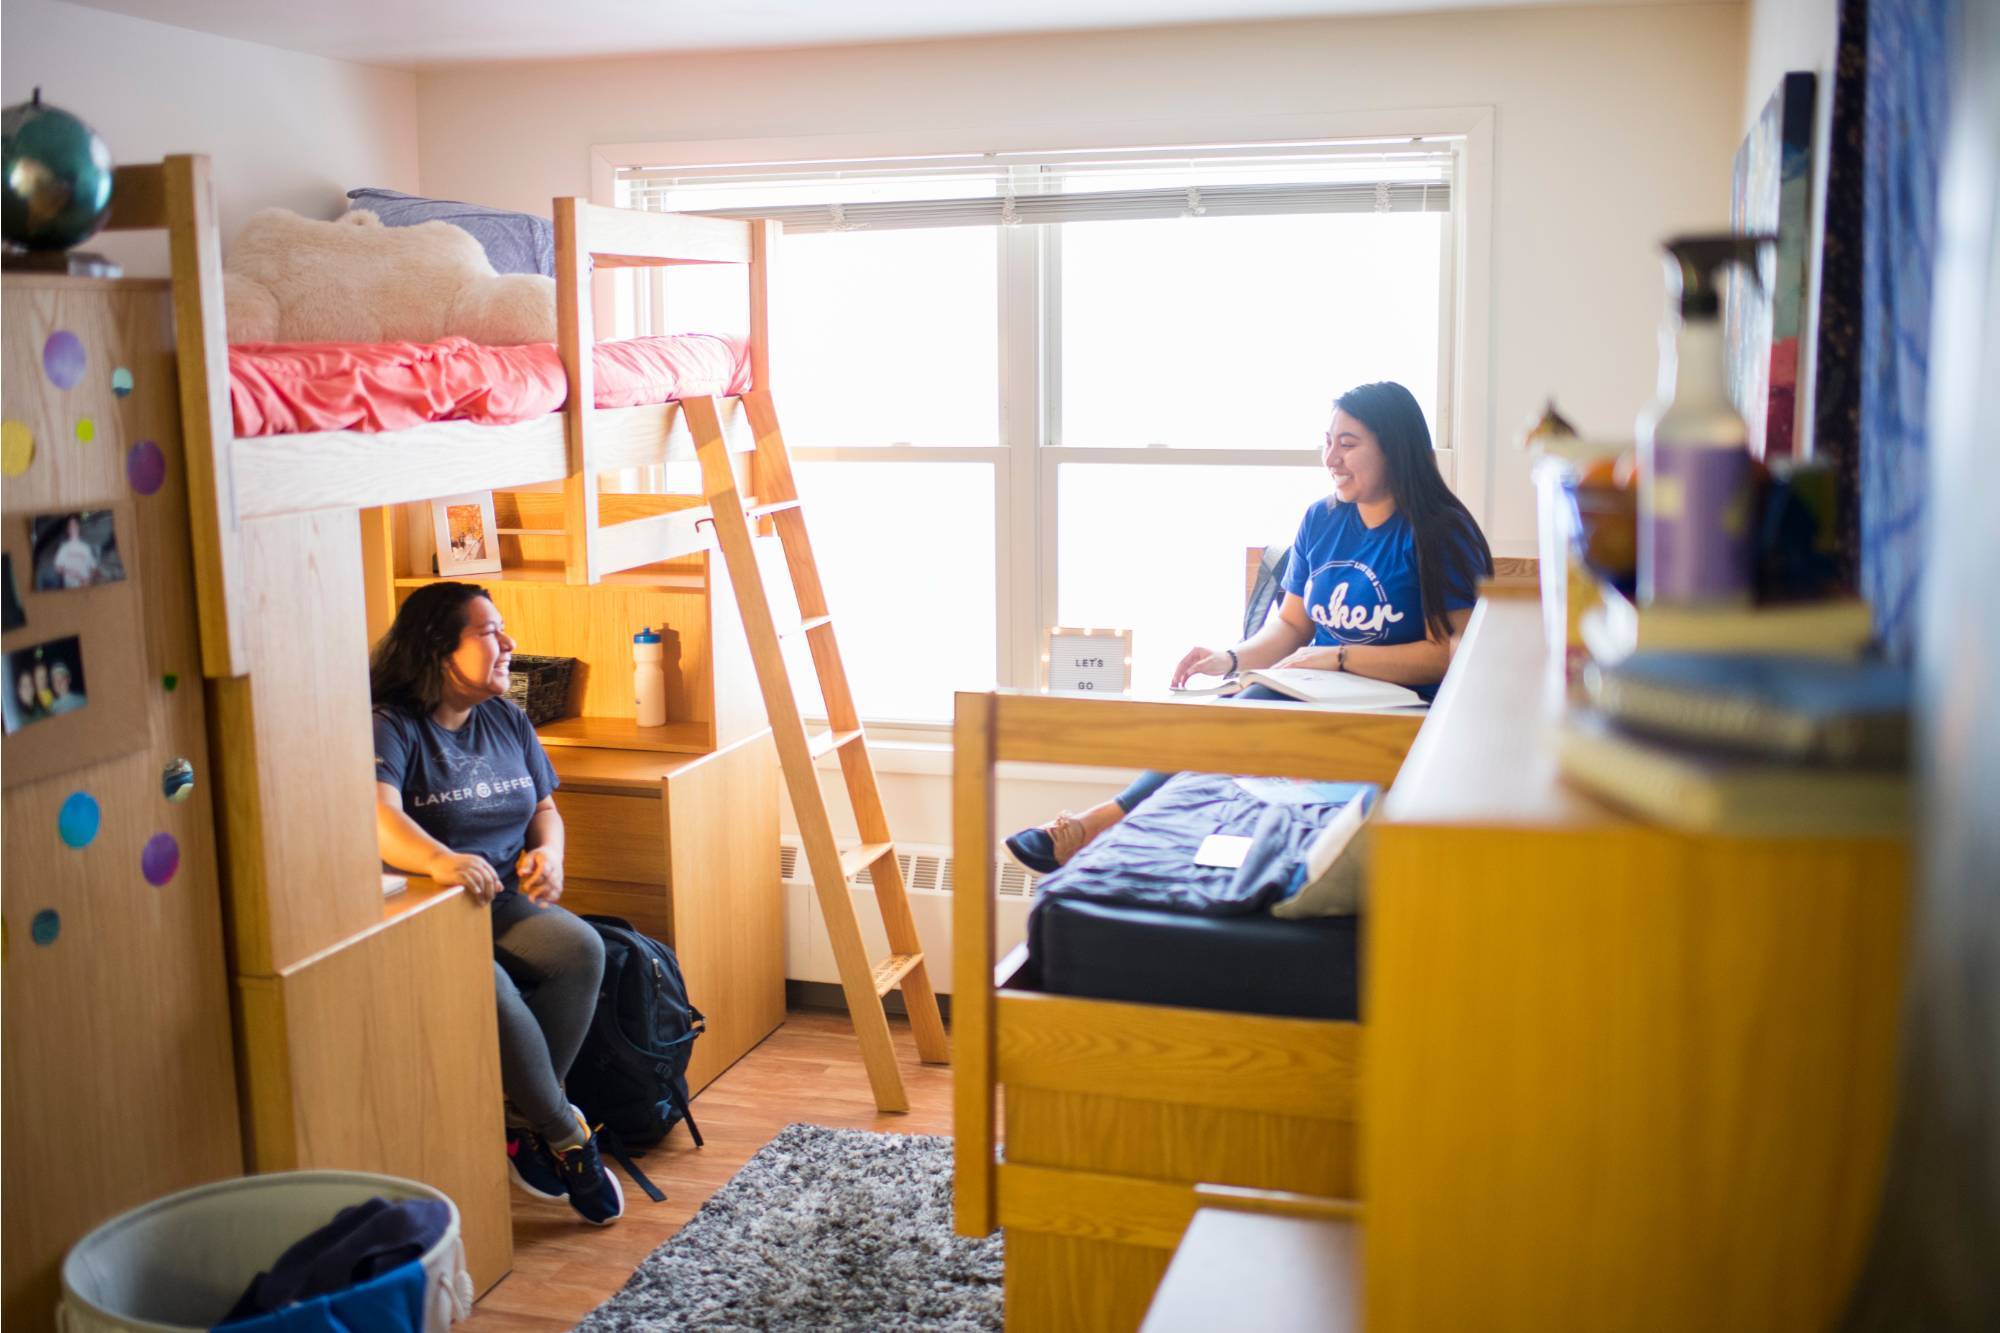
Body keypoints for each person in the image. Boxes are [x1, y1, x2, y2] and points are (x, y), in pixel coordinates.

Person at [1006, 380, 1493, 874]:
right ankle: (1106, 827)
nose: (1331, 458)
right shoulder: (1322, 520)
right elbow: (1291, 626)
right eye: (1327, 442)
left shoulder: (1440, 532)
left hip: (1400, 715)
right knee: (1221, 717)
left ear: (1395, 448)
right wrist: (1230, 658)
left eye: (1348, 444)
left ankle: (1095, 824)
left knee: (1247, 712)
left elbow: (1454, 653)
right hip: (1318, 695)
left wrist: (1340, 657)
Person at [369, 581, 623, 1225]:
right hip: (428, 914)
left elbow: (545, 809)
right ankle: (564, 1135)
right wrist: (440, 860)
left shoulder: (507, 718)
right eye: (487, 632)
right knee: (493, 990)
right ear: (437, 649)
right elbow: (378, 815)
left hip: (501, 900)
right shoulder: (391, 725)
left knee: (581, 948)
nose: (508, 643)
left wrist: (550, 855)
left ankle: (520, 1122)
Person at [51, 515, 99, 588]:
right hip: (70, 587)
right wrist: (73, 573)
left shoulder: (86, 547)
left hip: (86, 586)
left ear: (78, 527)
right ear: (68, 530)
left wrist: (89, 579)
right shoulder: (63, 548)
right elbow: (57, 568)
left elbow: (94, 567)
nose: (73, 527)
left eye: (75, 525)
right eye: (70, 525)